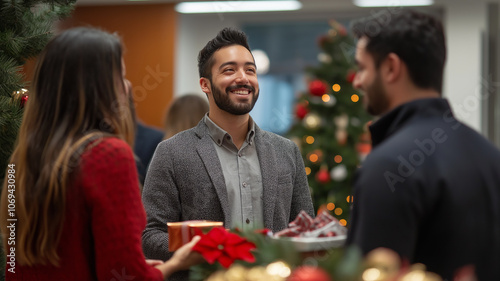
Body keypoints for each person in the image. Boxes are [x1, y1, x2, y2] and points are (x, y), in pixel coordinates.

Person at [0, 27, 202, 281]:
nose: (128, 87)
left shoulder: (21, 160)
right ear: (99, 87)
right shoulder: (107, 155)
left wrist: (136, 266)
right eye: (121, 76)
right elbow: (126, 277)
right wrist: (174, 264)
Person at [142, 27, 314, 280]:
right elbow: (150, 234)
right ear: (205, 85)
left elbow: (305, 228)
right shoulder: (172, 152)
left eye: (250, 70)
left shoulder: (286, 151)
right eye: (229, 70)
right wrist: (203, 250)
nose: (243, 78)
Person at [346, 10, 500, 281]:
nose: (357, 81)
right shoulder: (490, 155)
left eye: (362, 68)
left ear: (391, 67)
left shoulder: (388, 166)